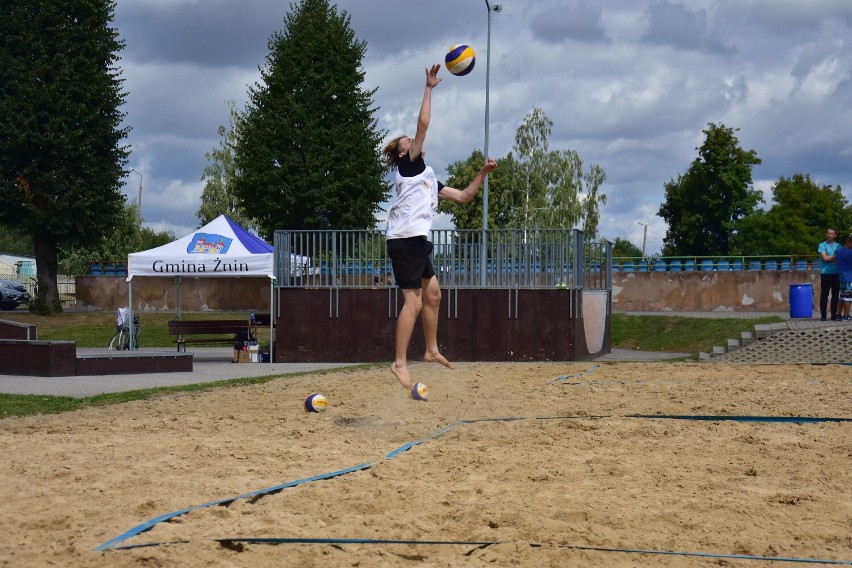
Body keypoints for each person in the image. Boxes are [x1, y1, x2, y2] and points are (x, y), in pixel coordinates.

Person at [382, 64, 498, 390]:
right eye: (408, 140)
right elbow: (424, 124)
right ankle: (400, 362)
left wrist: (483, 173)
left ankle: (431, 349)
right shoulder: (409, 163)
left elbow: (463, 197)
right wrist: (429, 87)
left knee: (433, 293)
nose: (412, 139)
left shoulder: (427, 176)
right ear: (405, 152)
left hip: (416, 241)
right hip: (404, 240)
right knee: (414, 302)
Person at [818, 228, 840, 321]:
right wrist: (834, 258)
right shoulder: (822, 245)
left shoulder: (838, 246)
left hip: (836, 273)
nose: (830, 235)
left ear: (835, 235)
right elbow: (824, 258)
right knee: (824, 295)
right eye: (828, 233)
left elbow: (839, 258)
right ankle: (823, 314)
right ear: (826, 234)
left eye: (832, 233)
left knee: (835, 295)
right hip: (826, 273)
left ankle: (833, 315)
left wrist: (830, 257)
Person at [834, 235, 852, 321]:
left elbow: (836, 261)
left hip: (841, 277)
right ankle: (846, 315)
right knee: (848, 299)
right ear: (849, 242)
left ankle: (838, 315)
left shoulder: (838, 250)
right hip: (849, 278)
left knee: (841, 297)